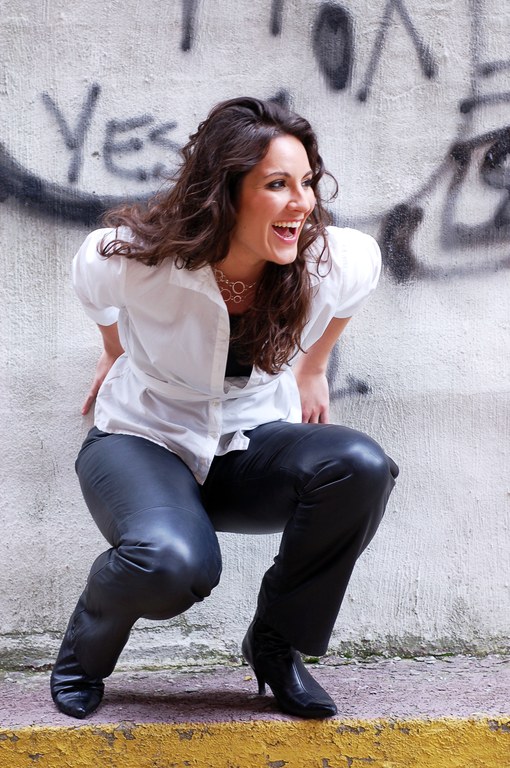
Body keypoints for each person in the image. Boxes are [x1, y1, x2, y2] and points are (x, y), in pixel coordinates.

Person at [50, 96, 398, 721]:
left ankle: (275, 646)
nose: (303, 202)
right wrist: (113, 351)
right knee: (173, 565)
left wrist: (314, 366)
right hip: (143, 440)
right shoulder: (138, 260)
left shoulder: (330, 260)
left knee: (361, 465)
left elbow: (360, 282)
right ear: (227, 192)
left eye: (307, 183)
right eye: (277, 185)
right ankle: (83, 653)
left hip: (246, 446)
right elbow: (89, 285)